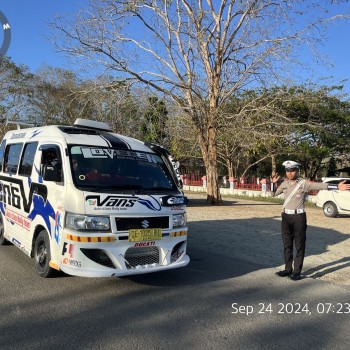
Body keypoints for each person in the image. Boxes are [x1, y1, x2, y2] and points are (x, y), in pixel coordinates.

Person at [270, 160, 350, 281]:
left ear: (297, 171)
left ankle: (297, 271)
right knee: (287, 245)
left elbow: (320, 185)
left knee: (299, 244)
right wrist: (273, 184)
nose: (290, 173)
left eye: (292, 170)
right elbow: (273, 194)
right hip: (286, 217)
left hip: (299, 218)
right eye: (287, 171)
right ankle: (288, 269)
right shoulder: (284, 183)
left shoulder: (303, 183)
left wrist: (337, 186)